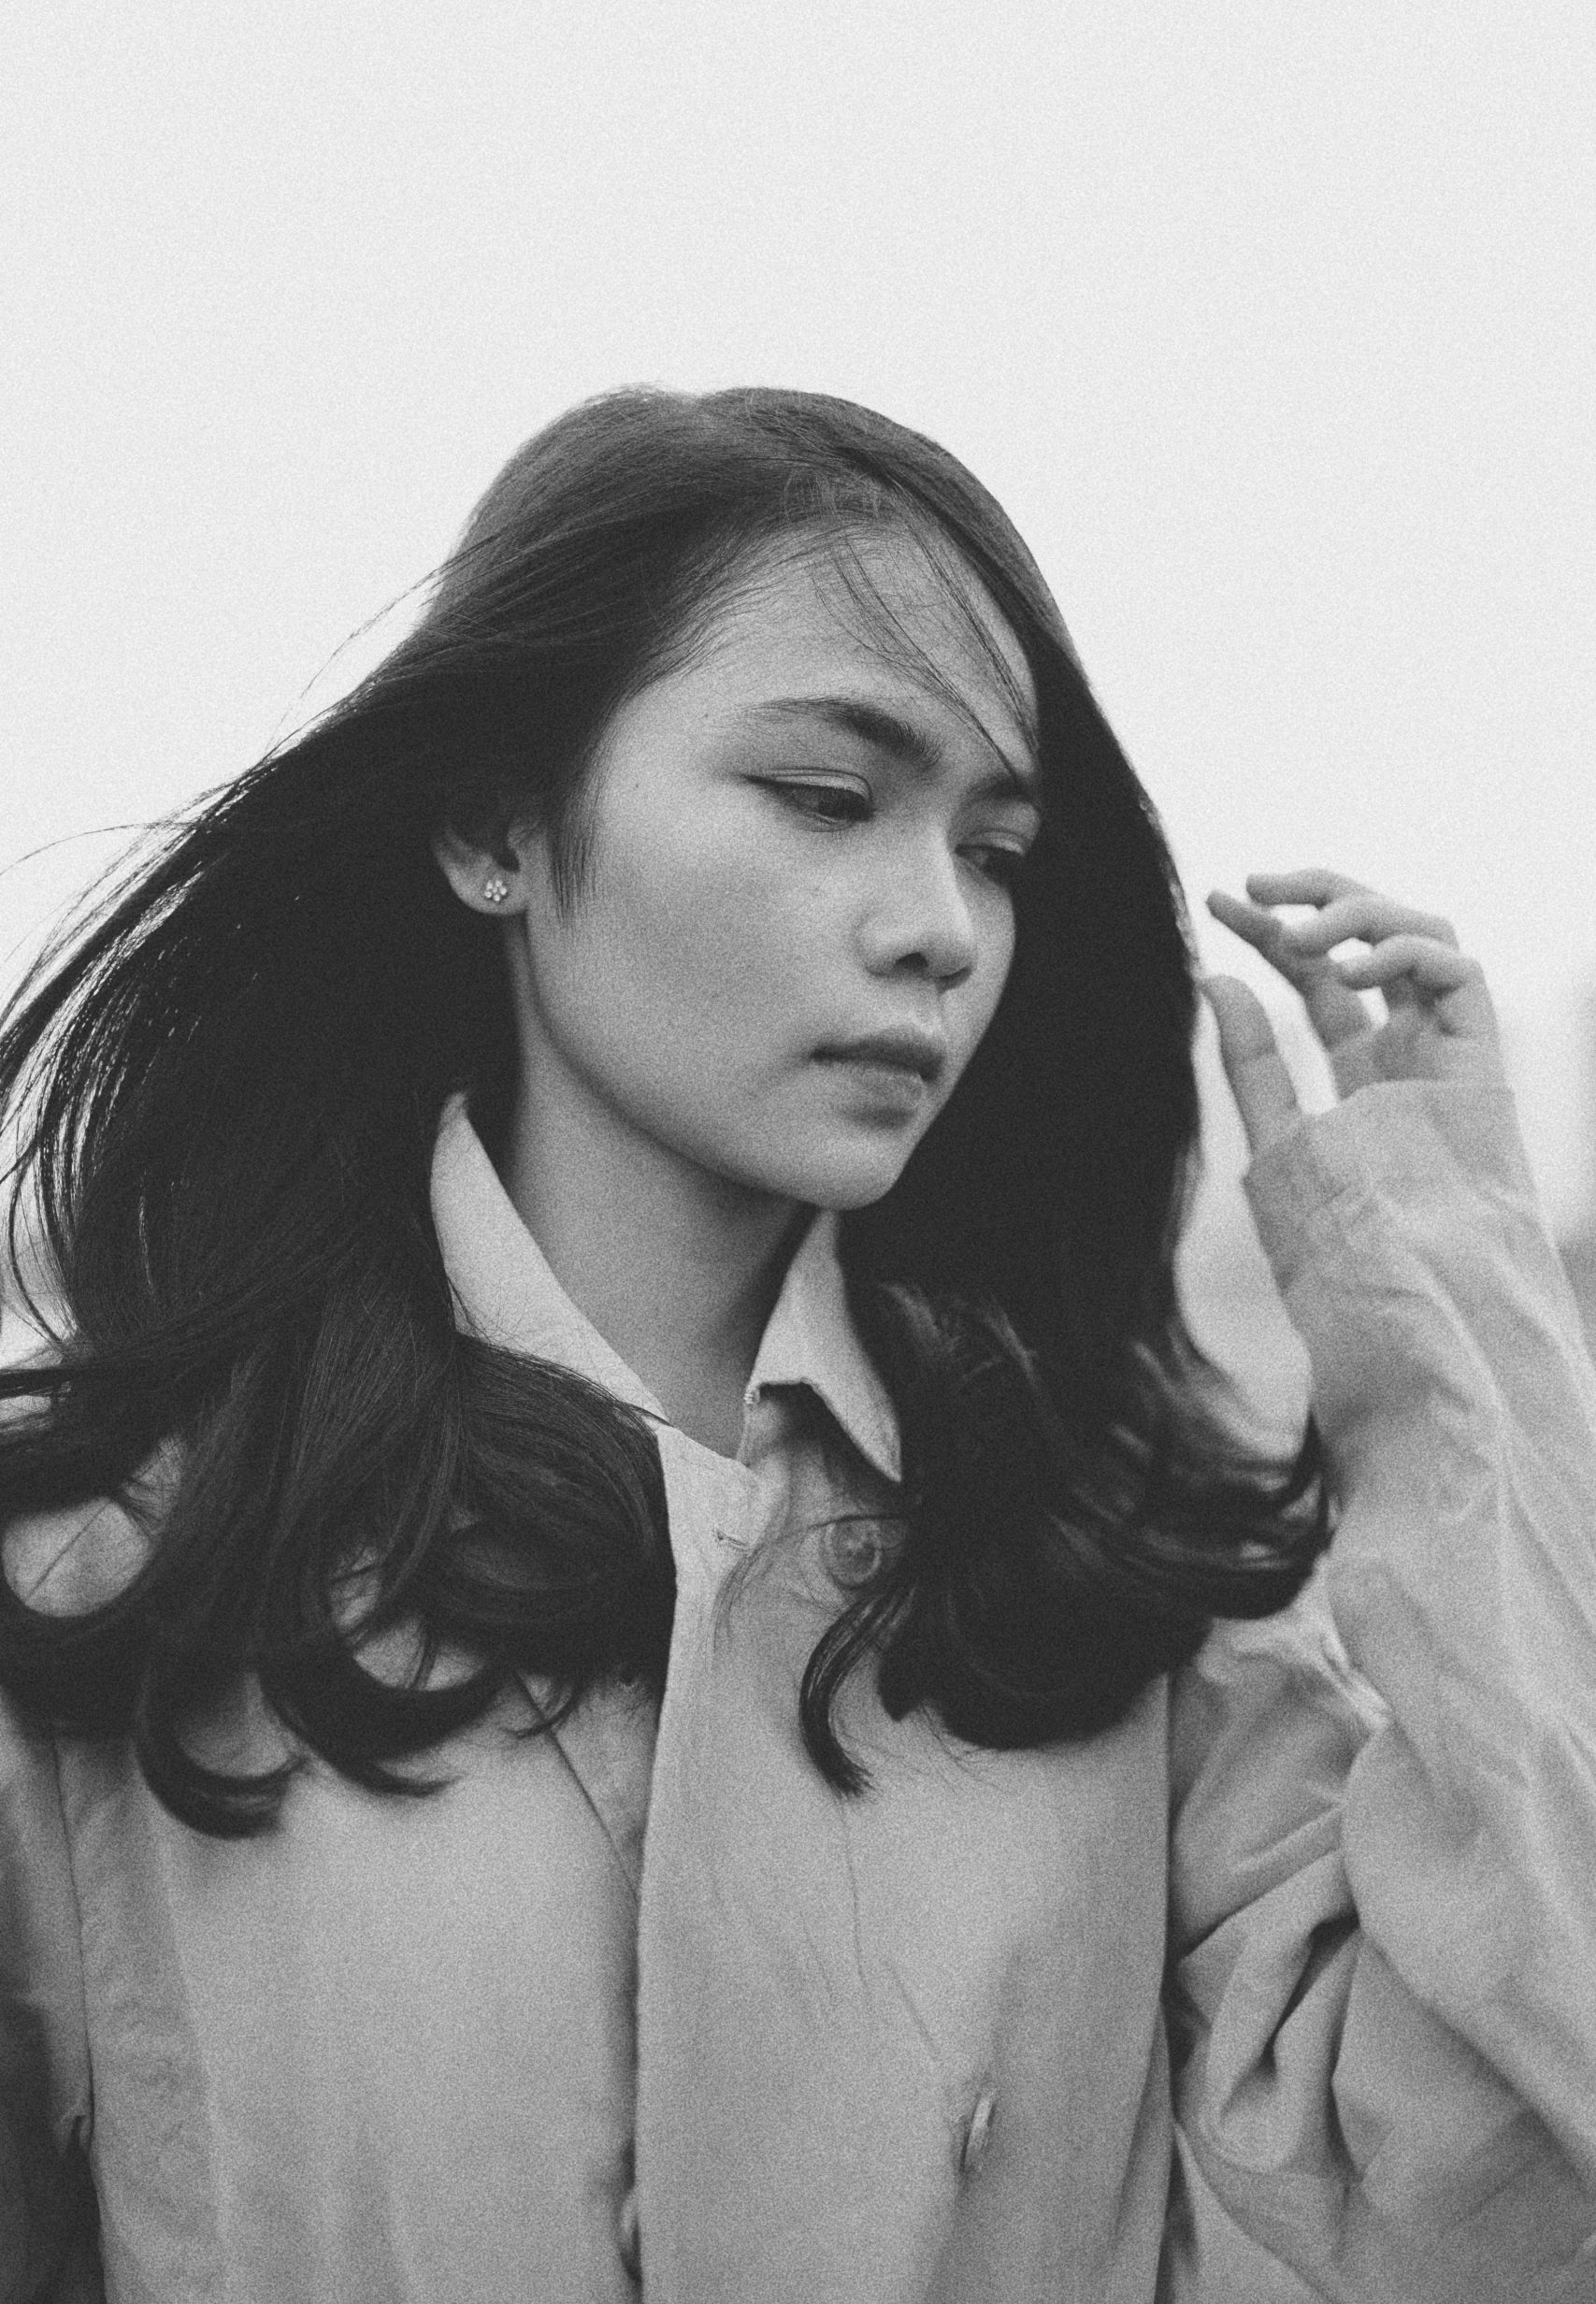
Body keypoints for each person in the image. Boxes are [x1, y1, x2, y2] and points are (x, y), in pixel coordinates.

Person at [1, 386, 1592, 2304]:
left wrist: (1443, 1276)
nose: (938, 926)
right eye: (828, 798)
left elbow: (1497, 2166)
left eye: (994, 847)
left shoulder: (1106, 1587)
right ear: (497, 818)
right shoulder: (111, 1578)